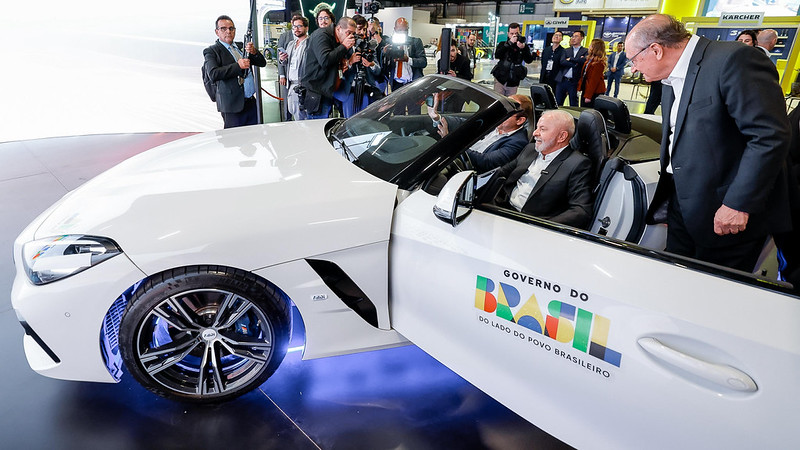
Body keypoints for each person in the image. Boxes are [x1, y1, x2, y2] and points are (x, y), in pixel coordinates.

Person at [626, 14, 792, 272]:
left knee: (714, 293)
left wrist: (738, 203)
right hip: (683, 206)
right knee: (680, 279)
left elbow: (768, 136)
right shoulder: (670, 76)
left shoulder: (734, 60)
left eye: (634, 59)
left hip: (726, 211)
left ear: (656, 50)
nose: (633, 68)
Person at [490, 109, 594, 228]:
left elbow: (581, 210)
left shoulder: (577, 164)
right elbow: (501, 173)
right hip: (500, 210)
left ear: (562, 136)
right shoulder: (530, 149)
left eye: (542, 129)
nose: (535, 133)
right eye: (537, 127)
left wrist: (543, 227)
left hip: (531, 224)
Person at [429, 94, 532, 174]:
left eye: (506, 113)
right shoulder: (494, 122)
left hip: (466, 172)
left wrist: (452, 144)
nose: (499, 114)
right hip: (455, 159)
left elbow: (485, 162)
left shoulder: (518, 142)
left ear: (520, 120)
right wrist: (437, 118)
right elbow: (464, 124)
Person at [203, 15, 267, 128]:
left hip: (251, 103)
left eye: (231, 28)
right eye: (223, 28)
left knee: (254, 136)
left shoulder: (241, 46)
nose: (228, 31)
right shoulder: (212, 51)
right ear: (217, 32)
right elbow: (213, 74)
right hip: (232, 107)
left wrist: (254, 52)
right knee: (236, 141)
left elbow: (262, 63)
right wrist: (238, 66)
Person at [301, 16, 356, 120]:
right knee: (317, 129)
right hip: (317, 92)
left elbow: (332, 60)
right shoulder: (321, 35)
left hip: (327, 90)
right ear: (339, 28)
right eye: (348, 33)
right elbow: (325, 60)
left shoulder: (336, 39)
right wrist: (344, 47)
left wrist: (341, 64)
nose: (351, 36)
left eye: (353, 33)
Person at [333, 15, 383, 118]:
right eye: (359, 29)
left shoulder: (368, 46)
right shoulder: (343, 47)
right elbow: (336, 70)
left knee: (364, 122)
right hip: (348, 91)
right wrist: (350, 62)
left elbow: (378, 71)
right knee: (348, 122)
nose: (361, 32)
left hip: (366, 91)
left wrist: (371, 64)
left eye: (364, 29)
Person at [384, 17, 427, 94]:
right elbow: (385, 66)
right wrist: (385, 54)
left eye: (405, 30)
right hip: (396, 83)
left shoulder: (415, 42)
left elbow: (423, 62)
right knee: (397, 106)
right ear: (395, 29)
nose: (403, 33)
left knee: (414, 106)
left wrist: (408, 60)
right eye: (400, 30)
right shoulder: (389, 43)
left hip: (413, 84)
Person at [491, 22, 534, 96]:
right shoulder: (503, 44)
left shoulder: (523, 47)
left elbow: (529, 60)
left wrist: (523, 49)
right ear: (508, 34)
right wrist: (509, 43)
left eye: (516, 33)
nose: (514, 35)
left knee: (510, 102)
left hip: (513, 81)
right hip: (500, 78)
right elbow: (497, 55)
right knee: (498, 101)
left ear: (519, 33)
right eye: (512, 33)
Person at [282, 15, 310, 121]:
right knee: (294, 114)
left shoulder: (309, 43)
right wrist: (282, 59)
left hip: (304, 86)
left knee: (304, 118)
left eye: (299, 26)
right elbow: (287, 63)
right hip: (291, 85)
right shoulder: (290, 44)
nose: (296, 29)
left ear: (306, 28)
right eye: (294, 27)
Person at [555, 30, 588, 106]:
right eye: (573, 36)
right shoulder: (566, 50)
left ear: (582, 38)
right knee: (558, 102)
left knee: (573, 103)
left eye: (576, 36)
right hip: (562, 80)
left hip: (574, 82)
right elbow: (562, 62)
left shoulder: (585, 51)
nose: (573, 38)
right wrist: (575, 64)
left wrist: (571, 59)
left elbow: (583, 61)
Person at [579, 39, 607, 108]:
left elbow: (593, 81)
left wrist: (588, 96)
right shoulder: (590, 59)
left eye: (591, 45)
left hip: (594, 92)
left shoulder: (599, 63)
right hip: (586, 89)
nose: (589, 46)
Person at [276, 22, 296, 121]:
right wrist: (282, 75)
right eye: (295, 25)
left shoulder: (306, 38)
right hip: (287, 74)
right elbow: (279, 56)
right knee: (287, 100)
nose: (297, 28)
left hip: (299, 77)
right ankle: (287, 120)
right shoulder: (285, 36)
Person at [539, 31, 564, 96]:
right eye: (555, 35)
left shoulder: (563, 51)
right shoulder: (546, 50)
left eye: (559, 35)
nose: (556, 37)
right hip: (544, 77)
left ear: (562, 39)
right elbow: (543, 63)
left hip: (555, 79)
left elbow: (562, 67)